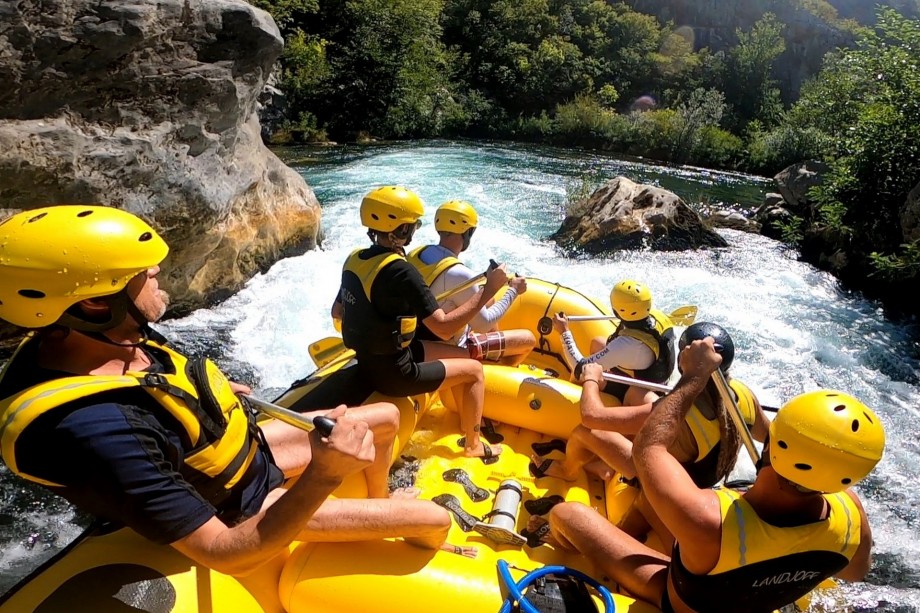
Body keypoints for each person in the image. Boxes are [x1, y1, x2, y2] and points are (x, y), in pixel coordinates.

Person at [0, 205, 473, 578]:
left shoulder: (91, 335)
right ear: (94, 302)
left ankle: (379, 505)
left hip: (241, 455)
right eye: (143, 272)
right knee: (434, 518)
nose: (159, 274)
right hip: (234, 509)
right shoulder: (95, 430)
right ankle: (407, 535)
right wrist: (326, 473)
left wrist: (206, 390)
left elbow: (149, 387)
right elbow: (223, 552)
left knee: (387, 419)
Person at [546, 337, 884, 613]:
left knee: (566, 514)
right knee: (651, 507)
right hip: (731, 584)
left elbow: (647, 448)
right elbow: (856, 572)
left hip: (680, 598)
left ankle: (564, 553)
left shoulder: (709, 518)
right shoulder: (852, 515)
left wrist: (694, 376)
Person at [530, 323, 769, 550]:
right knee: (637, 393)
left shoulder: (676, 411)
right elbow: (768, 437)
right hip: (701, 479)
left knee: (586, 433)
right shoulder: (743, 396)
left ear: (683, 362)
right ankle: (602, 468)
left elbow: (592, 416)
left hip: (663, 492)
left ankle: (567, 472)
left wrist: (591, 378)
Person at [331, 186, 508, 460]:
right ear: (401, 230)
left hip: (369, 361)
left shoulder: (354, 260)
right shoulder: (402, 271)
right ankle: (473, 445)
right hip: (398, 373)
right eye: (412, 225)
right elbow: (444, 327)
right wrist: (489, 289)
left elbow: (338, 310)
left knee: (459, 354)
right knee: (474, 370)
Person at [405, 200, 536, 366]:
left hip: (418, 334)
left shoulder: (417, 253)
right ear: (468, 233)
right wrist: (513, 291)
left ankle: (493, 354)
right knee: (527, 339)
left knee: (490, 300)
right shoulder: (459, 274)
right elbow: (484, 324)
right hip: (445, 344)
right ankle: (498, 369)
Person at [554, 279, 675, 406]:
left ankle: (572, 398)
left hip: (639, 392)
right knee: (597, 343)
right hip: (651, 376)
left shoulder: (626, 345)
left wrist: (564, 332)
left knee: (578, 374)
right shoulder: (657, 317)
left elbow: (580, 368)